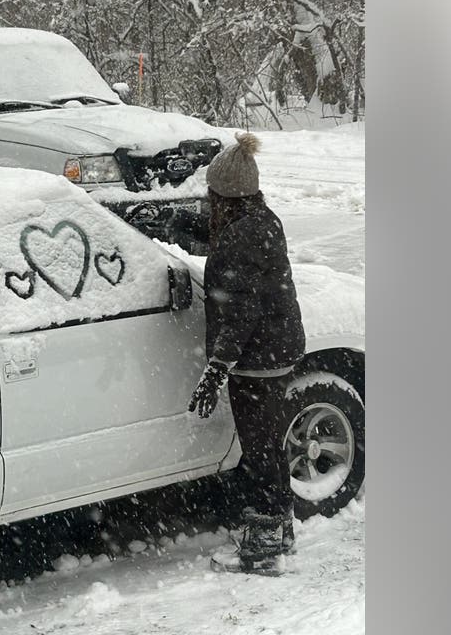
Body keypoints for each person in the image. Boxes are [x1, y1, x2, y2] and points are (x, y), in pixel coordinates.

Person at [187, 131, 306, 576]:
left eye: (211, 193)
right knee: (267, 445)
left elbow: (240, 311)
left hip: (258, 357)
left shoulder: (241, 235)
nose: (207, 200)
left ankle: (262, 548)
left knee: (259, 451)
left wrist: (217, 367)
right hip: (276, 346)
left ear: (225, 195)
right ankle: (281, 531)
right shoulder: (262, 219)